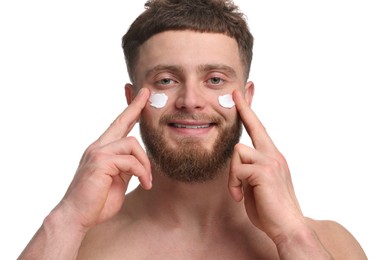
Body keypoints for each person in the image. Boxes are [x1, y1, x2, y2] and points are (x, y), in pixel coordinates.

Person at [19, 0, 367, 259]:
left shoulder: (327, 243)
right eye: (166, 80)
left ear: (246, 97)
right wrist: (66, 219)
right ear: (132, 99)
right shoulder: (75, 243)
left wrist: (294, 236)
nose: (190, 100)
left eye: (214, 79)